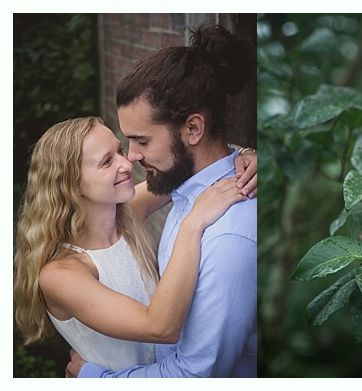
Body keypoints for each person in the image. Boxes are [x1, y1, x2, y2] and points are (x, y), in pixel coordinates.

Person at [66, 24, 258, 377]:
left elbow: (195, 376)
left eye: (142, 140)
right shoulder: (186, 190)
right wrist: (242, 153)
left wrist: (91, 377)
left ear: (193, 129)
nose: (132, 157)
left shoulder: (227, 237)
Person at [12, 117, 252, 373]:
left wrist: (247, 155)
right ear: (71, 185)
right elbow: (160, 327)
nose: (127, 164)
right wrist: (193, 225)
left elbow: (198, 163)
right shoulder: (61, 274)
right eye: (107, 162)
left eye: (119, 151)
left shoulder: (126, 215)